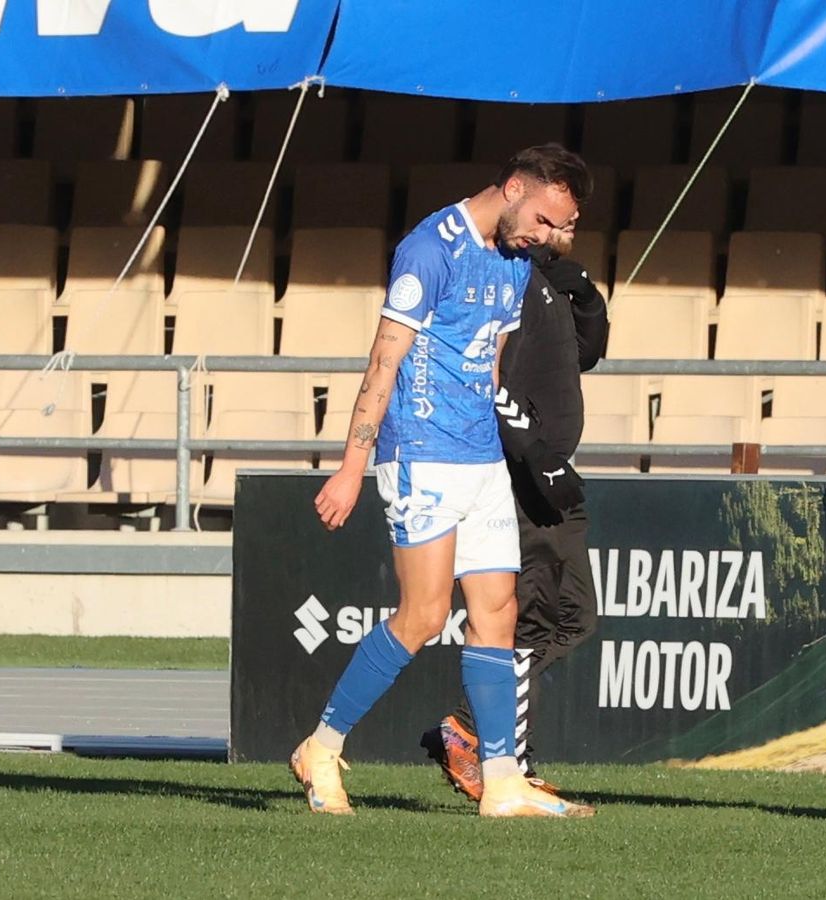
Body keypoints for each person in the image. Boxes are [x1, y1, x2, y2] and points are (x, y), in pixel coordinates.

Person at [291, 144, 595, 818]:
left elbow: (489, 365)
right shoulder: (430, 250)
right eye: (545, 220)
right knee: (424, 615)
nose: (550, 236)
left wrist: (510, 454)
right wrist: (352, 467)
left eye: (561, 226)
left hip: (481, 459)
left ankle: (502, 780)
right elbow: (384, 361)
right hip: (422, 454)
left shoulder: (514, 259)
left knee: (499, 614)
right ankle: (321, 746)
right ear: (513, 189)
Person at [421, 221, 609, 800]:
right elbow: (487, 380)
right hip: (522, 475)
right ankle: (503, 759)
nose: (568, 226)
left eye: (573, 220)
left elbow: (584, 355)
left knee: (575, 617)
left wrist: (586, 297)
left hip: (548, 473)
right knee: (532, 621)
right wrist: (536, 456)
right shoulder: (509, 281)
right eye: (558, 218)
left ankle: (475, 735)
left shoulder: (547, 281)